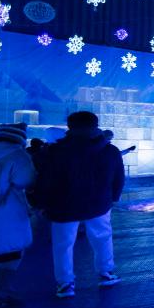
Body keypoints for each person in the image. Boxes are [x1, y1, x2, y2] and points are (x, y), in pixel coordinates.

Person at [38, 111, 125, 298]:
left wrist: (43, 203)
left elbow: (45, 180)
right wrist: (114, 198)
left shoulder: (55, 151)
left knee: (63, 244)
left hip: (63, 205)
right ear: (95, 125)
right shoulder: (110, 150)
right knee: (102, 238)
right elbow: (119, 177)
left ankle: (65, 284)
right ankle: (106, 273)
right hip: (99, 203)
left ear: (70, 127)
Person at [0, 123, 36, 305]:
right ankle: (1, 290)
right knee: (11, 253)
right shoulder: (17, 155)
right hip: (5, 216)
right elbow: (25, 180)